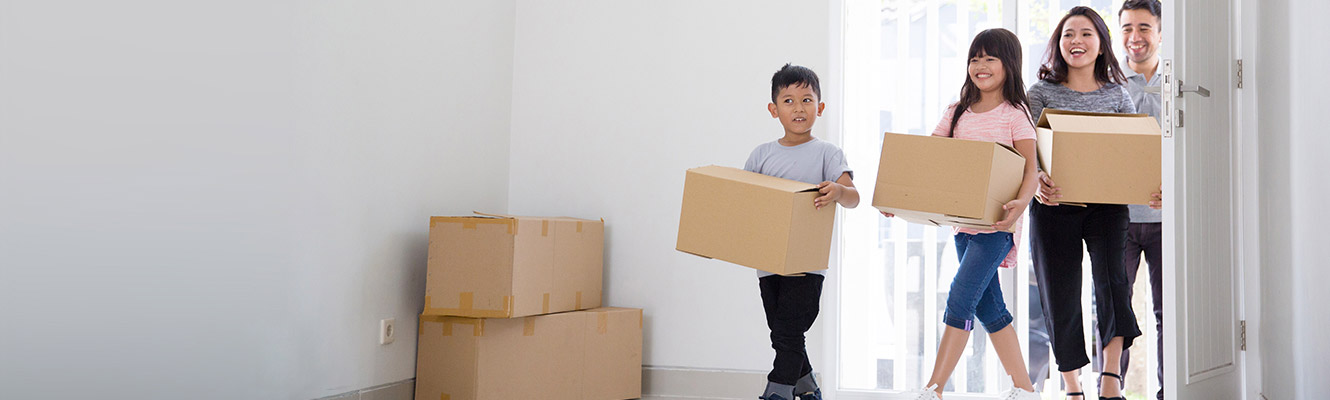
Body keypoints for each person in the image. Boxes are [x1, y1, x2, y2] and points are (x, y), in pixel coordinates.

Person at [888, 28, 1042, 400]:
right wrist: (900, 195)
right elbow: (930, 159)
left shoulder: (1015, 115)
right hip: (962, 226)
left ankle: (934, 388)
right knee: (991, 309)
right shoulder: (956, 113)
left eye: (990, 58)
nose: (980, 65)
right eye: (975, 58)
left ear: (1009, 65)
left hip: (996, 227)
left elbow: (1030, 171)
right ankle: (1025, 389)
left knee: (960, 298)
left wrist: (1021, 205)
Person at [1025, 6, 1142, 400]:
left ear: (1101, 43)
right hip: (1054, 204)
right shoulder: (1039, 93)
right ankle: (1072, 387)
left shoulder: (1117, 94)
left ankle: (1111, 380)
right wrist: (1037, 180)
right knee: (1060, 293)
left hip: (1107, 205)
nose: (1076, 41)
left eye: (1086, 34)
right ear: (1058, 45)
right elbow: (1027, 154)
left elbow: (1134, 153)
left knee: (1113, 284)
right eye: (1068, 35)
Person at [746, 63, 860, 400]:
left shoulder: (827, 153)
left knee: (789, 330)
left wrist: (838, 192)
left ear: (820, 107)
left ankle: (777, 392)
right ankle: (808, 388)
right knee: (782, 333)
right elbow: (744, 200)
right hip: (767, 261)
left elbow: (853, 197)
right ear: (773, 109)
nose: (799, 108)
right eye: (789, 101)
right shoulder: (761, 155)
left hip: (808, 261)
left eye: (807, 100)